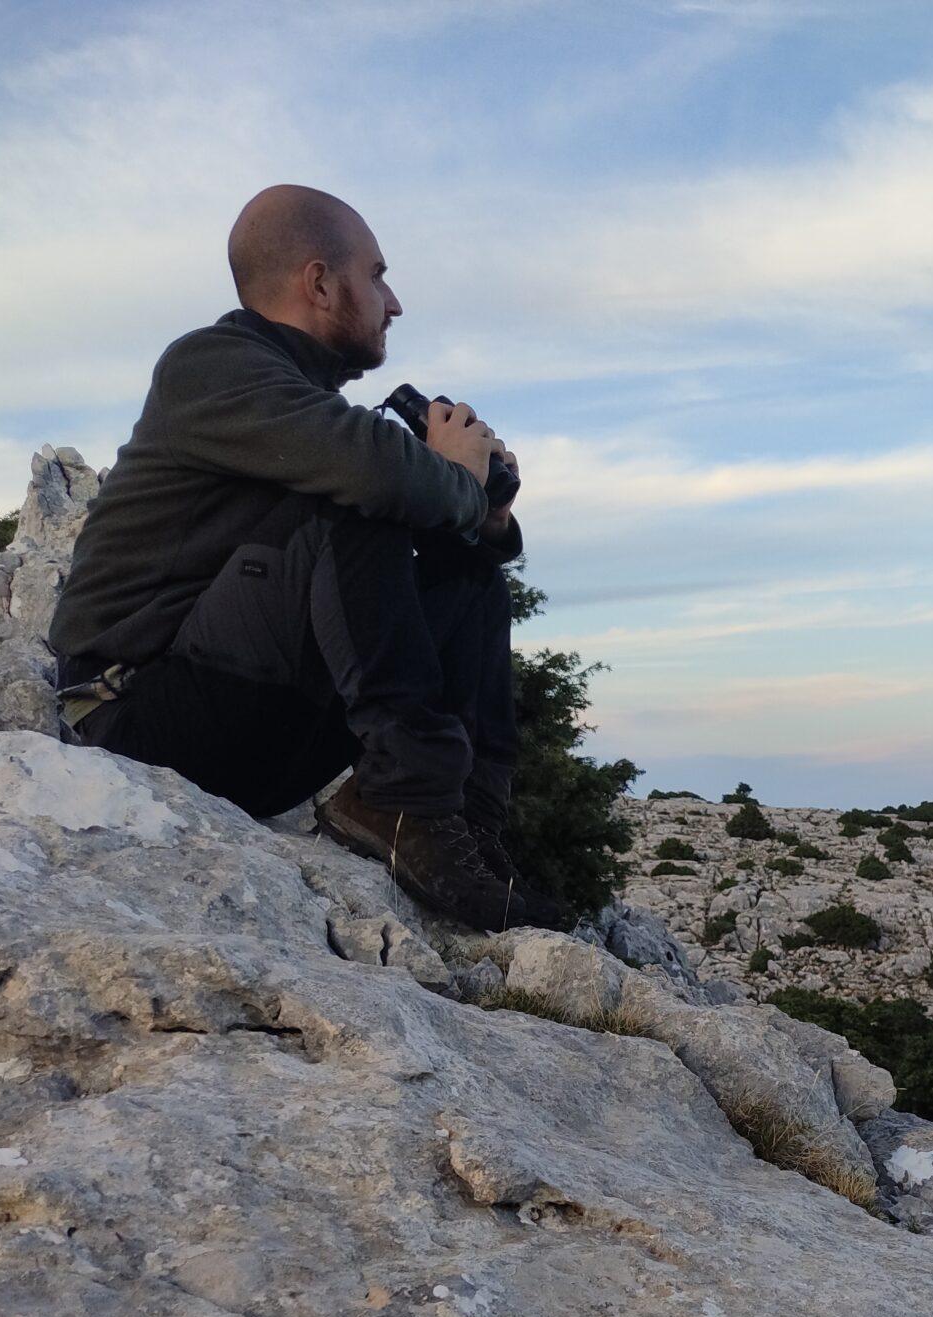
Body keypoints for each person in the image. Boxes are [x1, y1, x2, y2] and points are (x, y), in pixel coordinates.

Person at [49, 184, 565, 930]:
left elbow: (388, 518)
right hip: (138, 720)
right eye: (378, 276)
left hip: (254, 730)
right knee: (360, 496)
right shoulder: (210, 364)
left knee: (469, 575)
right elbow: (377, 477)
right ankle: (401, 799)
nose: (394, 304)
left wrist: (485, 512)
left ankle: (463, 828)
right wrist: (451, 476)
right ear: (320, 282)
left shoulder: (300, 404)